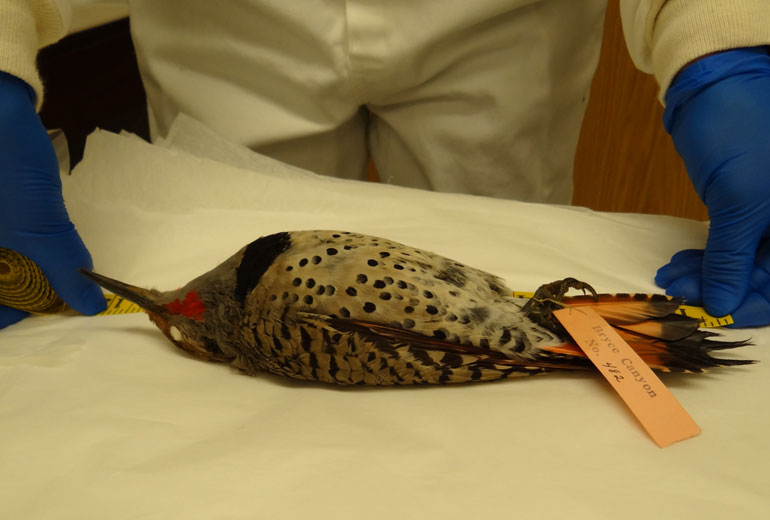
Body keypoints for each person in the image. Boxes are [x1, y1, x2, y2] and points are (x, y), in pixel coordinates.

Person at [1, 0, 769, 329]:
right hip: (223, 21)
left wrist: (727, 28)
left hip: (504, 25)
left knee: (500, 287)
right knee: (229, 291)